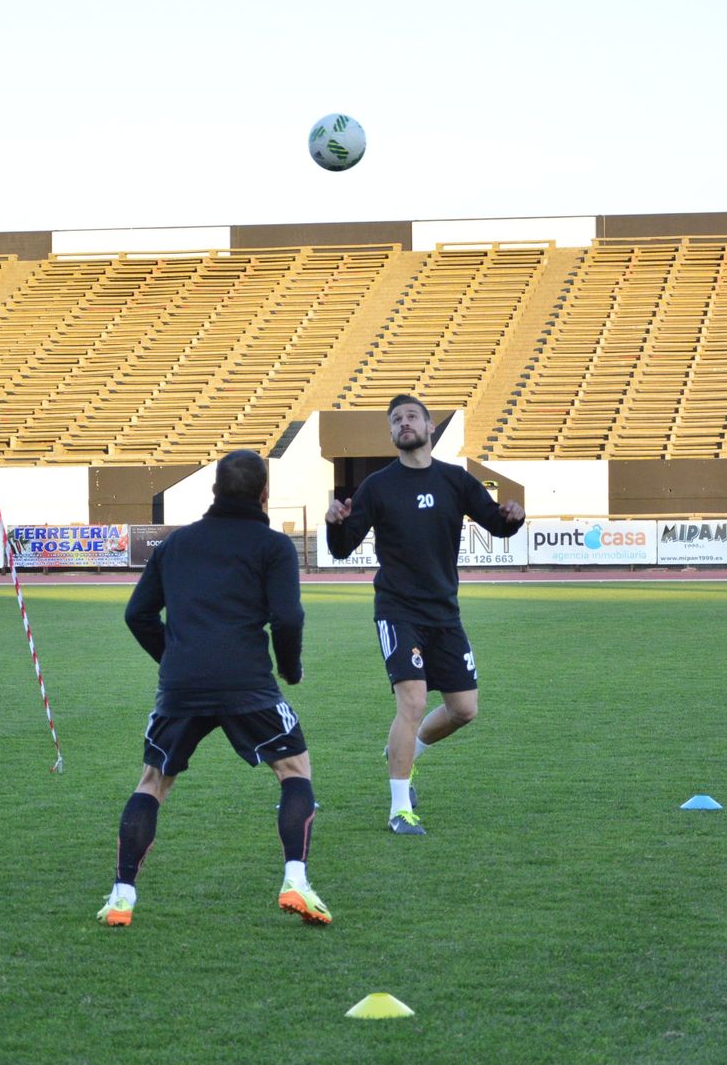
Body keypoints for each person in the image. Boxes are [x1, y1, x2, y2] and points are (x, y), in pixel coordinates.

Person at [99, 449, 329, 927]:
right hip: (248, 684)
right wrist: (291, 668)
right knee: (294, 770)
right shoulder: (273, 547)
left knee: (153, 782)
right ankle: (296, 881)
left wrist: (176, 657)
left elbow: (136, 615)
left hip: (181, 686)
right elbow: (288, 616)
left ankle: (122, 896)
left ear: (213, 491)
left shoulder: (176, 545)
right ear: (265, 494)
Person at [325, 394, 525, 835]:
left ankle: (404, 750)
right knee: (413, 701)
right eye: (396, 420)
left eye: (412, 416)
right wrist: (335, 521)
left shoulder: (455, 480)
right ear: (392, 433)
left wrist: (514, 516)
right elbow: (342, 547)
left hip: (444, 613)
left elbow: (497, 524)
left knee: (463, 709)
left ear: (430, 426)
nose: (404, 423)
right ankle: (400, 808)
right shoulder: (378, 486)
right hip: (397, 610)